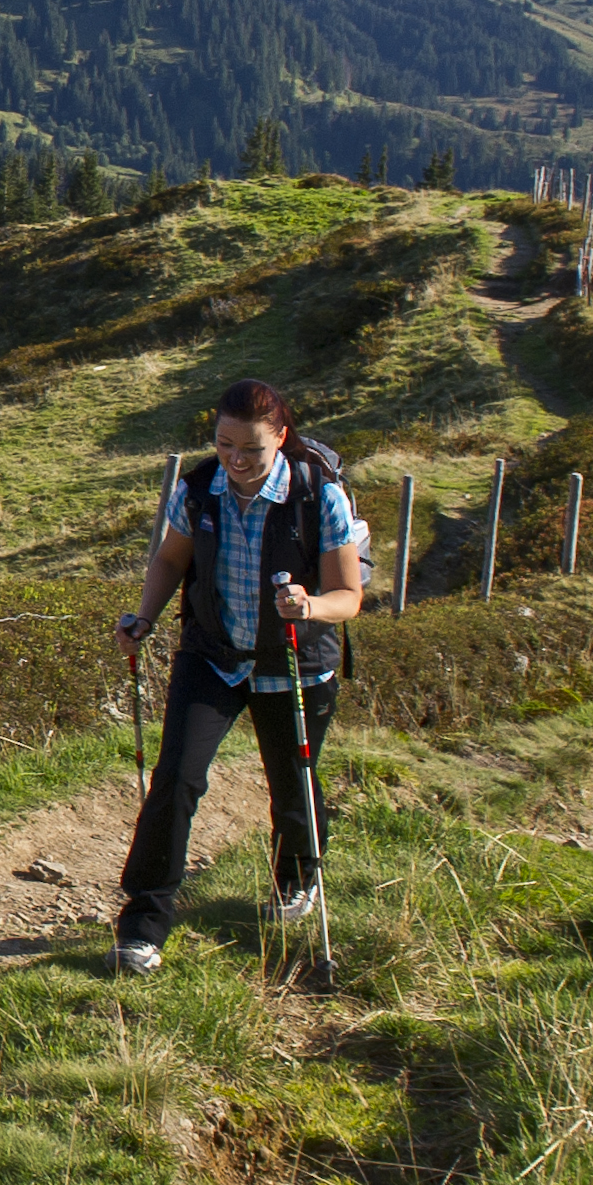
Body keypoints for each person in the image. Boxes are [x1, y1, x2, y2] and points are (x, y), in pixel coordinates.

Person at [110, 378, 367, 975]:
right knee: (175, 778)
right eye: (225, 445)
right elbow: (172, 558)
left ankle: (296, 879)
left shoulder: (318, 495)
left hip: (297, 665)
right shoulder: (199, 489)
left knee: (292, 784)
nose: (236, 460)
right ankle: (143, 925)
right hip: (214, 655)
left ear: (280, 437)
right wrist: (143, 618)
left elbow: (348, 596)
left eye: (250, 448)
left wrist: (308, 606)